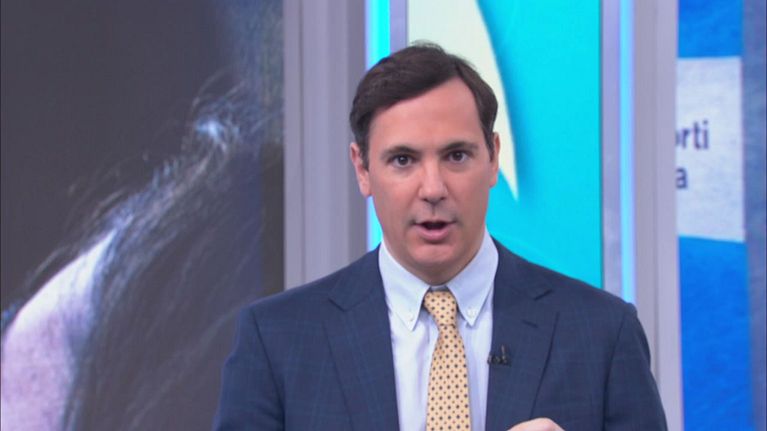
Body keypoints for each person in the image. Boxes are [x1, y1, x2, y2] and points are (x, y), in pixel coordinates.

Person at [214, 43, 667, 431]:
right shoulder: (277, 341)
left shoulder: (601, 333)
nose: (433, 189)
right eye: (403, 160)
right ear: (362, 168)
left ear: (493, 157)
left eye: (456, 155)